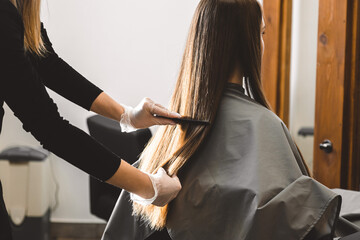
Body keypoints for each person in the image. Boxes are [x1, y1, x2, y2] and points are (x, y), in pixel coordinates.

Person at [101, 0, 347, 239]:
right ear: (249, 44)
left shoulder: (169, 136)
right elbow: (298, 221)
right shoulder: (267, 124)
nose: (263, 43)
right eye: (261, 34)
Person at [0, 0, 182, 239]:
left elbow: (44, 60)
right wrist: (148, 187)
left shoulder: (16, 9)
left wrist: (127, 115)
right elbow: (48, 126)